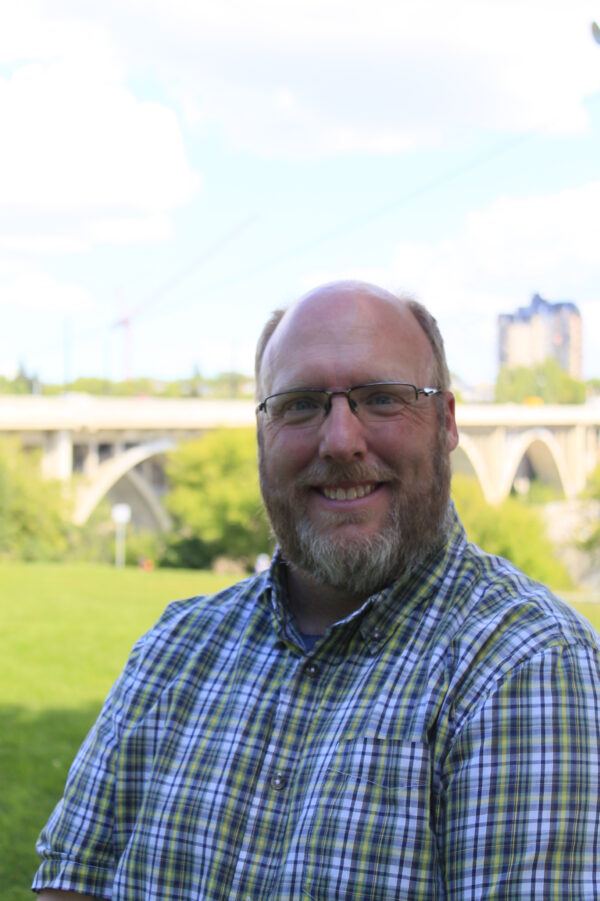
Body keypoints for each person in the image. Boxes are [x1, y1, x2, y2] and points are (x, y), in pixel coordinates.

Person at [34, 281, 600, 899]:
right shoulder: (174, 649)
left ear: (447, 423)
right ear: (262, 433)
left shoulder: (528, 665)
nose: (340, 441)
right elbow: (72, 884)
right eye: (300, 404)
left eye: (382, 399)